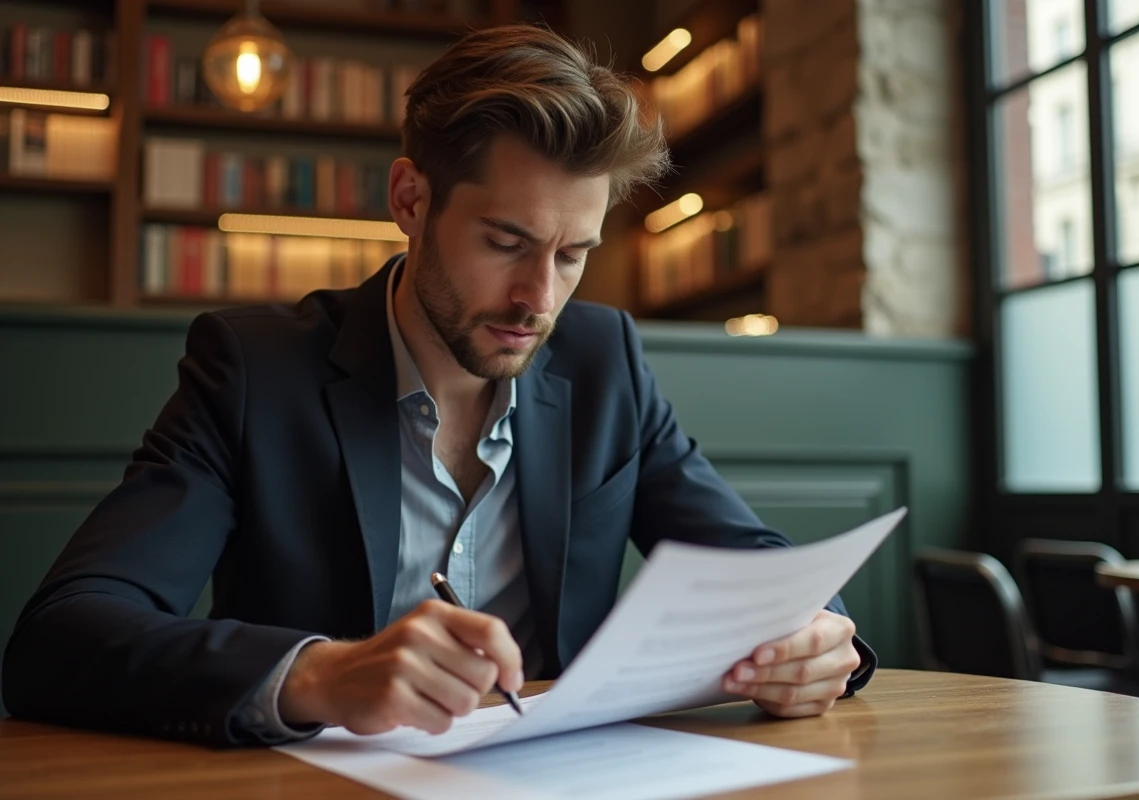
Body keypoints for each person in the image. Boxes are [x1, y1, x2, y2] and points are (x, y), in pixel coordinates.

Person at [2, 24, 874, 746]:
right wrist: (321, 672)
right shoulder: (253, 371)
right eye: (505, 242)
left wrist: (818, 636)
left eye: (573, 255)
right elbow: (62, 636)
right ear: (411, 199)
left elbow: (760, 560)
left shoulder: (603, 360)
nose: (540, 298)